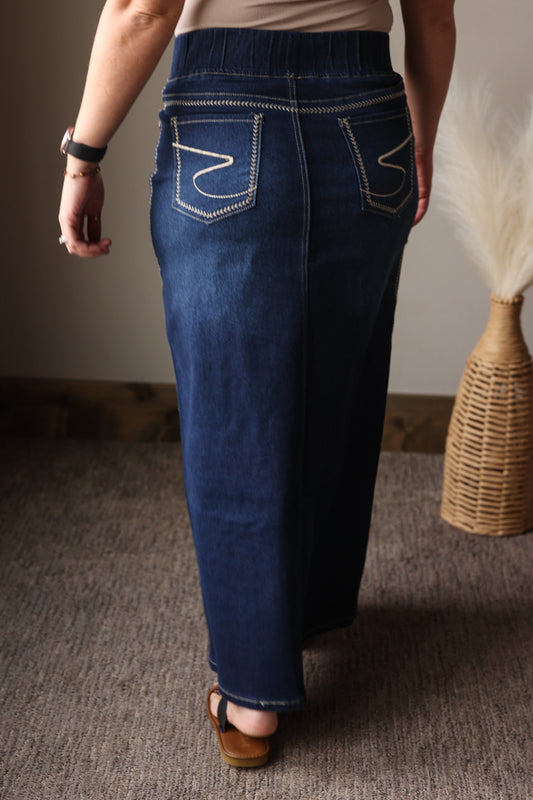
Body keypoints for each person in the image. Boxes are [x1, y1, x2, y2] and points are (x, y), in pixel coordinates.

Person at [58, 0, 455, 769]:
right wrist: (419, 140)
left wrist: (84, 155)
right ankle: (301, 613)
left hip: (223, 116)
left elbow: (145, 7)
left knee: (235, 413)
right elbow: (432, 15)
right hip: (368, 119)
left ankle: (251, 697)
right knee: (336, 384)